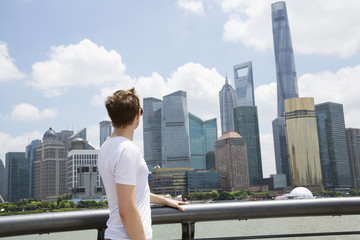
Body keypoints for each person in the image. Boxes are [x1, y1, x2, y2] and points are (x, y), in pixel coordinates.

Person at [98, 88, 187, 240]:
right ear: (137, 115)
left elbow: (135, 192)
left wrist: (166, 200)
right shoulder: (127, 150)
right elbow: (126, 210)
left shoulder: (106, 147)